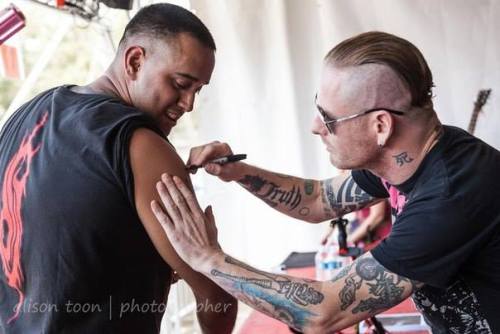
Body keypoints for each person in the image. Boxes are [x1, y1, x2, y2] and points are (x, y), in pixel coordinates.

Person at [151, 31, 500, 333]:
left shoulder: (452, 193)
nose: (316, 127)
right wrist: (240, 172)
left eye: (329, 119)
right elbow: (320, 199)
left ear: (381, 125)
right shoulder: (407, 159)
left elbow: (323, 312)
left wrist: (207, 258)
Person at [0, 4, 236, 333]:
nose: (189, 104)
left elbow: (79, 191)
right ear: (135, 61)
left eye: (198, 90)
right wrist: (212, 259)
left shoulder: (27, 116)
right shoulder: (143, 145)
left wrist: (177, 164)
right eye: (181, 84)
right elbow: (217, 294)